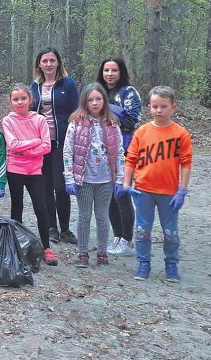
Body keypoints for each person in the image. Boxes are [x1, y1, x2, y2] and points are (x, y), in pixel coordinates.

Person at [119, 86, 193, 282]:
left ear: (173, 107)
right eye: (154, 106)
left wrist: (182, 191)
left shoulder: (180, 134)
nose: (159, 110)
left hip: (169, 192)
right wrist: (126, 183)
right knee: (142, 229)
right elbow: (131, 159)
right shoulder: (142, 132)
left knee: (170, 232)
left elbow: (186, 163)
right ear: (149, 107)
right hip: (143, 190)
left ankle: (171, 265)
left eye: (163, 106)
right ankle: (144, 263)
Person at [63, 84, 126, 268]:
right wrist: (69, 177)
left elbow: (120, 152)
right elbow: (68, 152)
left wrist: (120, 179)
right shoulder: (76, 122)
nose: (95, 103)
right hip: (83, 179)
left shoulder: (112, 123)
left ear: (104, 100)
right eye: (90, 99)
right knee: (84, 216)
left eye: (98, 99)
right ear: (84, 101)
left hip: (106, 179)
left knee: (102, 216)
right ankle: (82, 252)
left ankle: (102, 252)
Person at [29, 47, 79, 244]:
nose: (48, 64)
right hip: (41, 143)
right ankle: (51, 227)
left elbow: (76, 112)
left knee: (61, 185)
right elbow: (30, 111)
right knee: (45, 186)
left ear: (58, 62)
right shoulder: (34, 86)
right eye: (44, 61)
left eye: (52, 60)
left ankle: (65, 228)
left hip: (61, 141)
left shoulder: (68, 84)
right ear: (39, 64)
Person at [2, 84, 56, 265]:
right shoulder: (8, 121)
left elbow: (47, 146)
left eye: (23, 98)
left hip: (34, 170)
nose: (19, 102)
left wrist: (27, 151)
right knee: (17, 206)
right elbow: (13, 145)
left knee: (41, 207)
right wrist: (34, 142)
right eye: (15, 99)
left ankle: (47, 247)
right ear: (10, 102)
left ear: (30, 100)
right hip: (15, 168)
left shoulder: (40, 120)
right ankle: (17, 245)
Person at [98, 58, 142, 256]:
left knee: (121, 193)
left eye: (114, 70)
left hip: (124, 148)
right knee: (108, 196)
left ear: (121, 72)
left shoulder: (129, 92)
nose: (109, 74)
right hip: (100, 150)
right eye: (106, 70)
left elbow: (132, 119)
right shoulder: (98, 91)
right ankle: (117, 236)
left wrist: (107, 111)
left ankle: (127, 238)